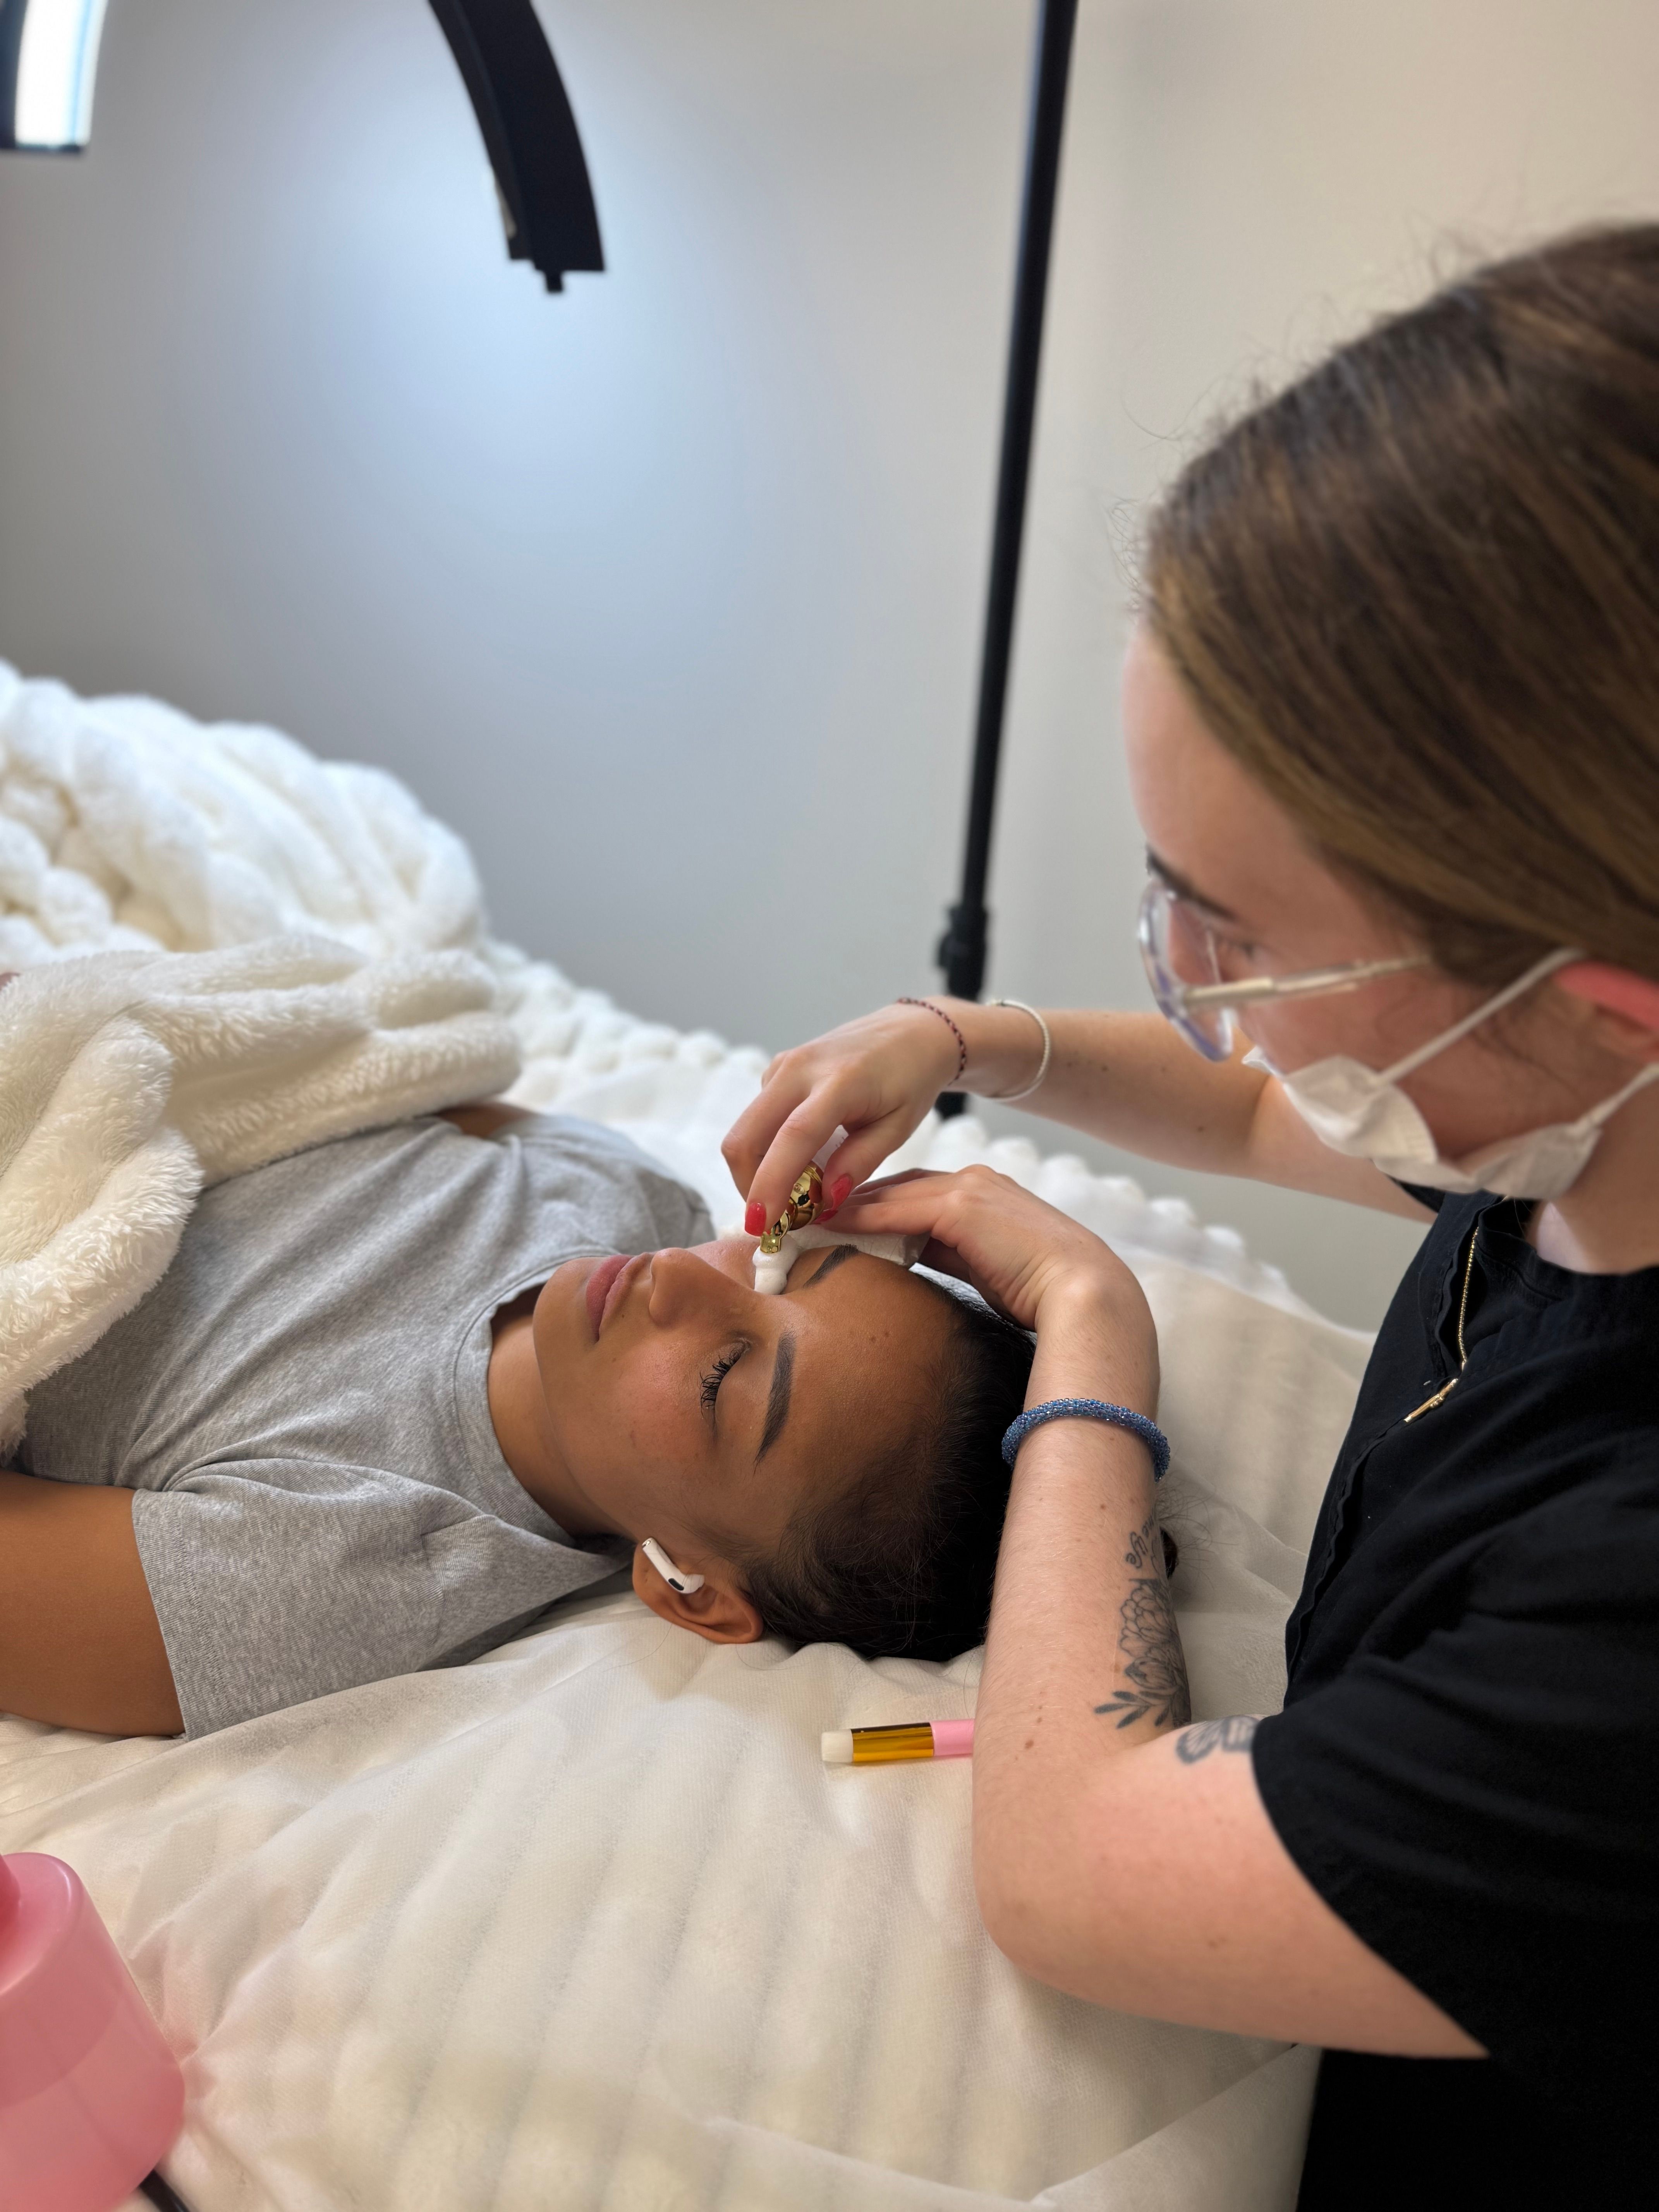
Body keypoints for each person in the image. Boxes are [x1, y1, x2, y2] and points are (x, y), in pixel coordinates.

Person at [722, 225, 1659, 2207]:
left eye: (1229, 930)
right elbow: (1257, 1097)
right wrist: (960, 1034)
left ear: (1587, 1003)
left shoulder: (1624, 1636)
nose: (1178, 977)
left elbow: (1074, 1871)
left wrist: (1085, 1320)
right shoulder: (1572, 1132)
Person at [0, 1100, 1032, 1741]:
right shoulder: (625, 1189)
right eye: (786, 1265)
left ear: (695, 1592)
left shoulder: (349, 1560)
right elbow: (347, 1068)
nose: (679, 1274)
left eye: (723, 1375)